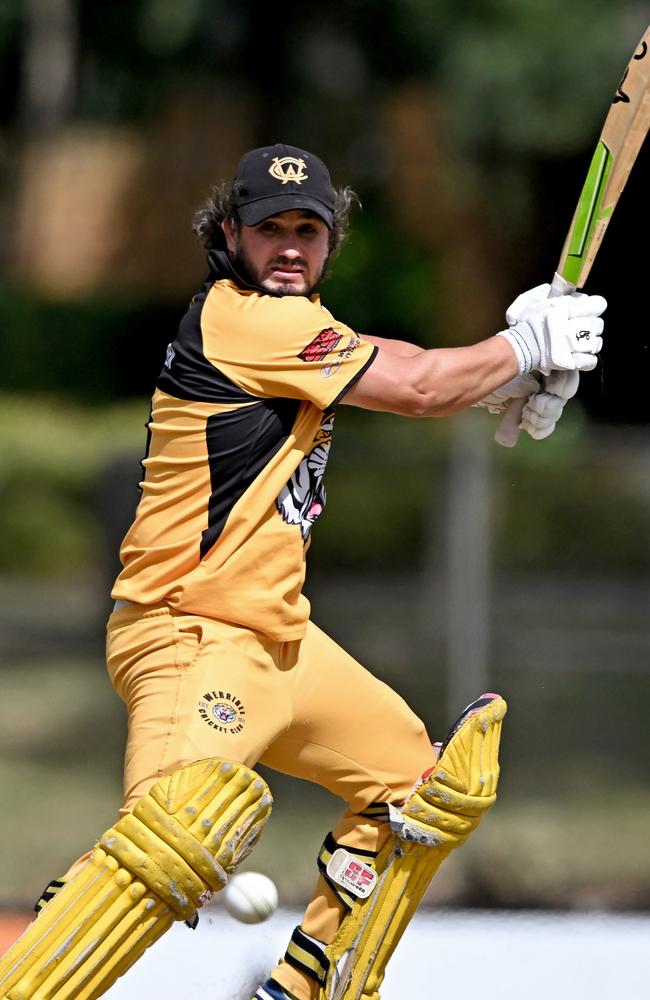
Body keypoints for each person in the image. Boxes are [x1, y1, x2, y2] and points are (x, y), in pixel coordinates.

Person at [0, 143, 606, 1000]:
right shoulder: (245, 318)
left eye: (308, 230)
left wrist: (506, 371)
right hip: (190, 634)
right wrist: (517, 348)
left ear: (331, 242)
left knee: (424, 791)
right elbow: (423, 386)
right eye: (269, 228)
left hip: (281, 643)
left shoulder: (303, 334)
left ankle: (312, 981)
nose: (289, 246)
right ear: (229, 236)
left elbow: (401, 364)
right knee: (172, 834)